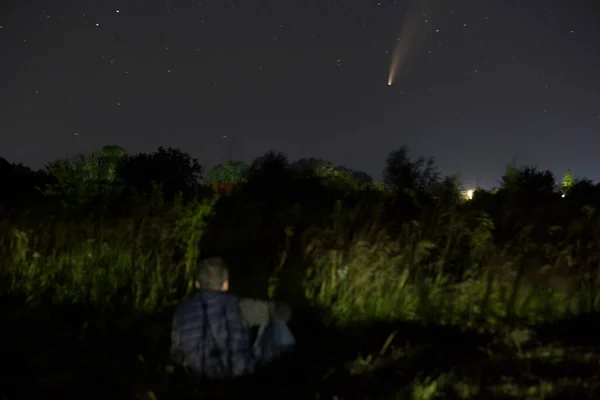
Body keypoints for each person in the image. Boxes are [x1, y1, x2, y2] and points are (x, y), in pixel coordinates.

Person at [170, 257, 295, 379]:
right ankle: (286, 373)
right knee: (276, 321)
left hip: (201, 376)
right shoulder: (239, 306)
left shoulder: (180, 312)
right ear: (225, 285)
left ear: (196, 283)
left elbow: (176, 353)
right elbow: (284, 313)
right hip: (240, 374)